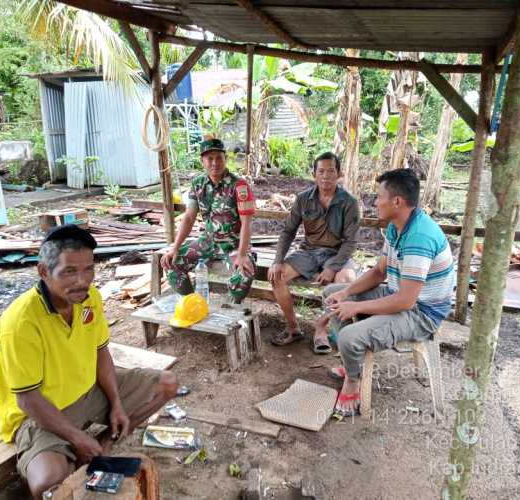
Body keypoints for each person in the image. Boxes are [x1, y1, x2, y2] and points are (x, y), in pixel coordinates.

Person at [0, 225, 178, 499]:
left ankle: (101, 446)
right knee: (48, 483)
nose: (82, 281)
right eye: (69, 271)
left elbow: (101, 352)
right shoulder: (20, 322)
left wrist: (116, 402)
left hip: (88, 392)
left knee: (167, 383)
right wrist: (76, 437)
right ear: (44, 272)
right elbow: (28, 400)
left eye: (88, 269)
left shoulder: (89, 298)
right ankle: (77, 450)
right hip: (43, 413)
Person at [321, 168, 454, 417]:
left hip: (421, 313)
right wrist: (347, 293)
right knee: (332, 294)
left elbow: (405, 301)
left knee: (350, 336)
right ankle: (353, 366)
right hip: (399, 295)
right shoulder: (396, 226)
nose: (375, 202)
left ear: (397, 201)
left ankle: (353, 380)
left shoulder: (419, 237)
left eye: (379, 196)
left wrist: (357, 306)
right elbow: (379, 272)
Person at [268, 152, 359, 349]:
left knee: (346, 282)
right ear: (314, 174)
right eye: (321, 171)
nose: (326, 176)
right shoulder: (303, 199)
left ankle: (324, 328)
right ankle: (293, 328)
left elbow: (351, 242)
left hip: (337, 253)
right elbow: (288, 231)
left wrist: (333, 267)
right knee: (276, 275)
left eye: (331, 171)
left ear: (339, 174)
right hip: (309, 252)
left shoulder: (349, 202)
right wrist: (277, 260)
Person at [161, 137, 256, 304]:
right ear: (202, 161)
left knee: (244, 275)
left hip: (234, 243)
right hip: (208, 241)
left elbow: (247, 222)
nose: (214, 163)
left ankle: (232, 311)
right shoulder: (198, 184)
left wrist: (242, 255)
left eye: (219, 157)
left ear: (225, 158)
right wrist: (175, 247)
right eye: (209, 158)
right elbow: (189, 217)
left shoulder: (239, 186)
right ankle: (192, 304)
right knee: (171, 263)